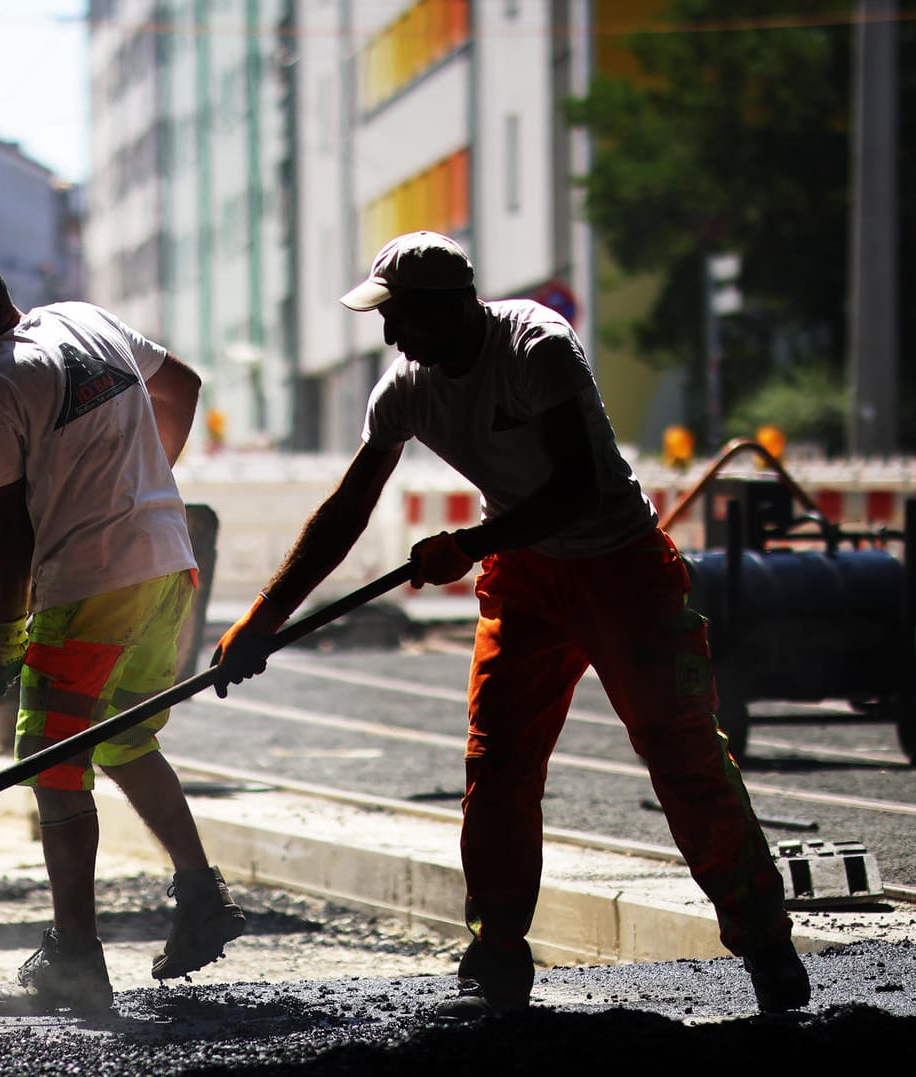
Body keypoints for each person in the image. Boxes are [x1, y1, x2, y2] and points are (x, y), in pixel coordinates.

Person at [211, 231, 808, 1019]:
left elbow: (575, 488)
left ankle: (765, 942)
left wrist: (468, 544)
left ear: (452, 308)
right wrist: (261, 618)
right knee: (496, 764)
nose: (390, 337)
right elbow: (347, 511)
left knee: (683, 755)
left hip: (621, 568)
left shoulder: (535, 345)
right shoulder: (405, 389)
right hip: (526, 579)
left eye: (401, 319)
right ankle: (496, 952)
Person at [0, 249, 245, 1015]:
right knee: (125, 738)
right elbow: (183, 385)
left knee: (51, 761)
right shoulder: (83, 319)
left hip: (89, 585)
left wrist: (6, 628)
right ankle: (199, 893)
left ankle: (74, 961)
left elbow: (6, 524)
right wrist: (144, 485)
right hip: (166, 567)